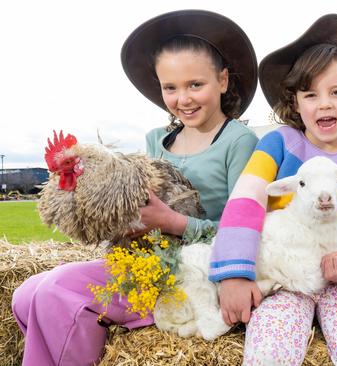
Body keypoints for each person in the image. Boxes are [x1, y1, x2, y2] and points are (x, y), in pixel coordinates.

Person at [11, 10, 258, 365]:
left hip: (191, 270)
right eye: (170, 88)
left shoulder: (238, 141)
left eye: (195, 85)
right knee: (24, 294)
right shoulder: (157, 139)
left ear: (222, 81)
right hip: (142, 259)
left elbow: (246, 230)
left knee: (55, 291)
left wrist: (172, 222)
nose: (183, 99)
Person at [209, 14, 337, 365]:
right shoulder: (279, 144)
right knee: (269, 346)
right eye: (311, 94)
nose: (324, 103)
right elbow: (246, 201)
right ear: (295, 103)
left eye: (336, 92)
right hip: (285, 277)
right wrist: (236, 272)